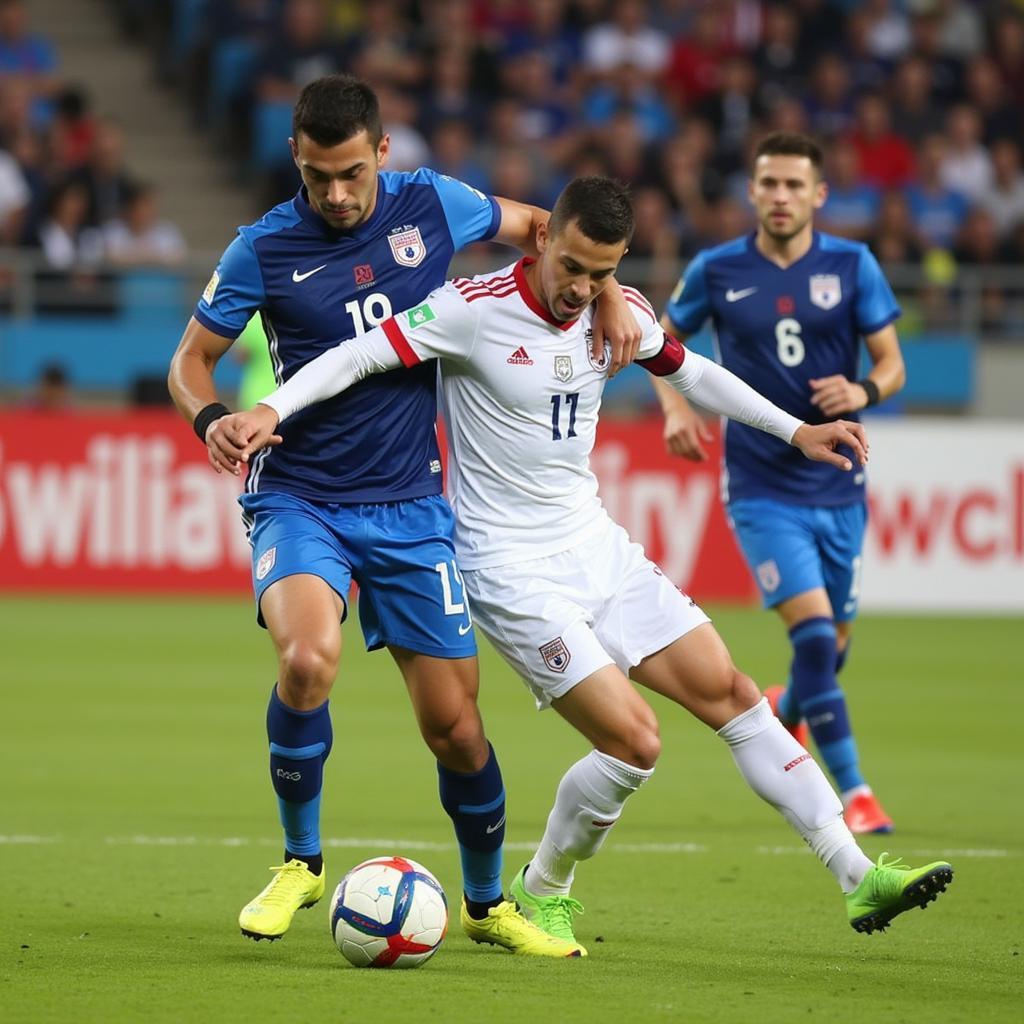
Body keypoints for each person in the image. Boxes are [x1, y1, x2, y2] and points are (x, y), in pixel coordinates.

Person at [214, 176, 952, 953]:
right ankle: (545, 886)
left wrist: (797, 430)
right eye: (571, 266)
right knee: (635, 742)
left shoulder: (619, 311)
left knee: (734, 694)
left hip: (596, 546)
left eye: (601, 273)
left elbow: (692, 372)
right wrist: (269, 411)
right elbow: (359, 356)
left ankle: (856, 875)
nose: (580, 289)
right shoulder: (470, 310)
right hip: (507, 568)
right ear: (545, 239)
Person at [167, 74, 640, 957]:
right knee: (308, 658)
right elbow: (189, 361)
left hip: (413, 505)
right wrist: (210, 417)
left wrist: (609, 291)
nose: (336, 195)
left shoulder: (438, 204)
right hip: (298, 493)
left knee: (457, 729)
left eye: (350, 173)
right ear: (296, 162)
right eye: (317, 177)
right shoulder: (260, 249)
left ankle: (490, 905)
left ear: (383, 153)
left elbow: (550, 229)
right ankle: (300, 863)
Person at [650, 132, 907, 834]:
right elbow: (657, 342)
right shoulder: (717, 267)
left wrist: (860, 390)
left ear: (820, 194)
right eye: (769, 184)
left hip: (840, 481)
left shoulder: (853, 265)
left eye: (796, 185)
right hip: (762, 486)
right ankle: (853, 794)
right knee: (819, 639)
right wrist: (675, 406)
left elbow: (892, 365)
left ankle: (788, 712)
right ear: (753, 191)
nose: (781, 197)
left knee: (832, 650)